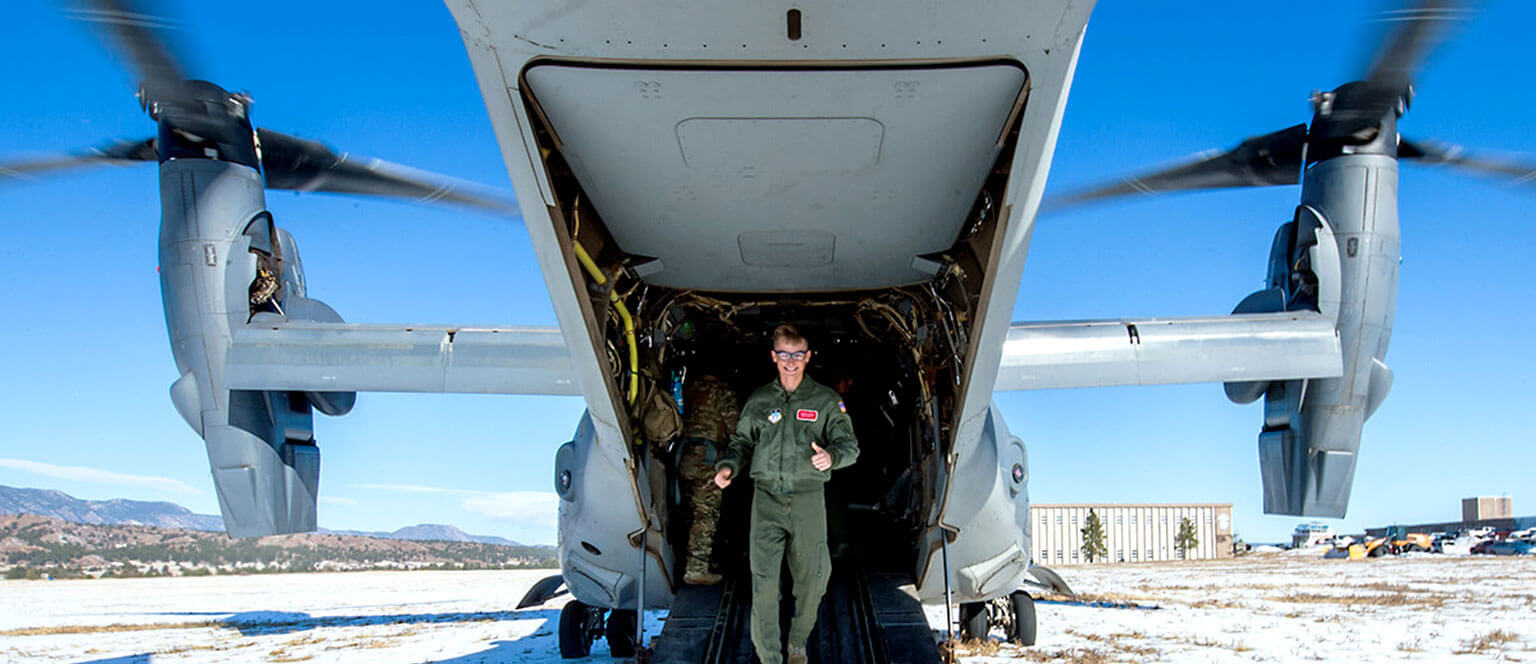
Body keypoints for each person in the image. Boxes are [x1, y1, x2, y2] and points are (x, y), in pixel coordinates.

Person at [713, 324, 859, 664]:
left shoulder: (825, 400)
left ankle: (797, 641)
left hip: (807, 497)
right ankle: (770, 657)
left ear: (807, 357)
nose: (790, 362)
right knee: (764, 583)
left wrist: (831, 457)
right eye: (783, 355)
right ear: (773, 357)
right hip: (766, 499)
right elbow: (741, 443)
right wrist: (729, 466)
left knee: (812, 580)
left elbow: (849, 447)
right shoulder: (760, 400)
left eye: (797, 355)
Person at [677, 373, 739, 585]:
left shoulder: (688, 387)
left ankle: (693, 561)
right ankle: (696, 569)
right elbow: (735, 428)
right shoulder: (722, 392)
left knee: (689, 511)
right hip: (708, 458)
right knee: (706, 513)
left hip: (685, 455)